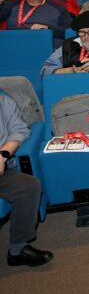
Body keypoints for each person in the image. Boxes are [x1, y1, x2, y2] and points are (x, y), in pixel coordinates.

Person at [0, 94, 53, 267]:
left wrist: (3, 155)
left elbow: (19, 130)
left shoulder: (4, 102)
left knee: (29, 186)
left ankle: (17, 250)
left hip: (2, 170)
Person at [0, 0, 71, 47]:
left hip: (47, 48)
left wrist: (47, 28)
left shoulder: (58, 7)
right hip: (15, 46)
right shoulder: (11, 5)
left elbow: (70, 32)